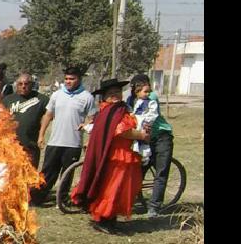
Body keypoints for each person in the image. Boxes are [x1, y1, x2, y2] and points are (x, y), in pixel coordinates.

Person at [70, 78, 151, 234]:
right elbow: (122, 131)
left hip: (118, 154)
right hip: (116, 156)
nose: (115, 95)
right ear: (104, 96)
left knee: (116, 188)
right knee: (113, 188)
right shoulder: (113, 111)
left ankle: (109, 217)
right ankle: (103, 219)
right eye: (111, 93)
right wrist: (141, 135)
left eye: (117, 92)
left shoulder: (112, 110)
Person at [32, 66, 97, 204]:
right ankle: (38, 198)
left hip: (73, 144)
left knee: (67, 174)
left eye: (72, 79)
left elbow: (92, 119)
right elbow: (48, 115)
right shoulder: (57, 95)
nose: (68, 81)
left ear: (79, 79)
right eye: (66, 78)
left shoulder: (87, 97)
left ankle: (61, 199)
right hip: (55, 142)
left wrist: (88, 137)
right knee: (47, 172)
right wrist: (41, 135)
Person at [126, 73, 174, 218]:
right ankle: (131, 201)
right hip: (144, 139)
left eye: (147, 88)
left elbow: (150, 117)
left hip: (161, 137)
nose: (148, 91)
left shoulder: (150, 98)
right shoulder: (130, 100)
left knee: (160, 173)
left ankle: (154, 207)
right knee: (137, 171)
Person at [2, 72, 49, 169]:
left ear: (32, 85)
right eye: (20, 84)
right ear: (16, 85)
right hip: (11, 145)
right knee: (11, 175)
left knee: (29, 176)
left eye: (26, 84)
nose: (23, 86)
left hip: (30, 144)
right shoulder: (8, 99)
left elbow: (49, 115)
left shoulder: (42, 99)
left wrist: (42, 135)